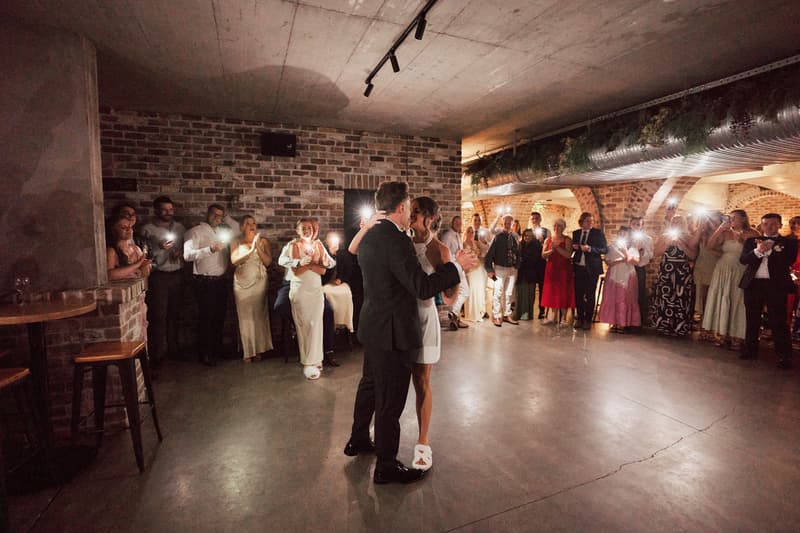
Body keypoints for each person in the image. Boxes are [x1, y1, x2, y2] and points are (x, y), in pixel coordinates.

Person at [344, 181, 475, 485]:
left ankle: (358, 438)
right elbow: (422, 287)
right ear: (402, 207)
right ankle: (386, 466)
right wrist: (456, 266)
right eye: (409, 207)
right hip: (393, 332)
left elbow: (353, 257)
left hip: (373, 325)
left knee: (369, 385)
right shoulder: (396, 240)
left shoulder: (372, 235)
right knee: (390, 401)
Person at [739, 213, 798, 368]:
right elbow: (744, 260)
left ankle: (784, 356)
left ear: (779, 225)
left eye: (773, 224)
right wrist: (759, 251)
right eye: (765, 224)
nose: (769, 227)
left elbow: (788, 261)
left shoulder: (789, 243)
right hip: (753, 284)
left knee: (778, 321)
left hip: (776, 286)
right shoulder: (751, 241)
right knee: (752, 318)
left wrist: (771, 251)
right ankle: (750, 350)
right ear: (761, 225)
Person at [281, 218, 335, 380]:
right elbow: (296, 272)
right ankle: (307, 361)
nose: (307, 230)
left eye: (310, 228)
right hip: (300, 290)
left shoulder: (318, 245)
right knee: (304, 325)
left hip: (316, 290)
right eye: (303, 228)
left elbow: (325, 269)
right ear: (297, 230)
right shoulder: (293, 246)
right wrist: (311, 264)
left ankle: (316, 359)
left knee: (316, 324)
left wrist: (315, 263)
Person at [183, 204, 234, 366]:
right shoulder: (195, 231)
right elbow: (187, 255)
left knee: (219, 317)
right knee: (206, 318)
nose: (217, 218)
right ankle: (205, 353)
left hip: (220, 281)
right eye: (214, 215)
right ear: (207, 213)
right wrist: (210, 249)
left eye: (220, 216)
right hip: (204, 282)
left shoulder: (223, 232)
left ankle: (217, 350)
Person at [702, 210, 758, 349]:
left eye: (734, 217)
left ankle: (738, 336)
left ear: (743, 219)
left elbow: (757, 253)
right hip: (723, 268)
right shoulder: (726, 232)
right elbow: (709, 246)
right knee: (723, 298)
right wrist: (720, 229)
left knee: (737, 300)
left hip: (740, 269)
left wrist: (742, 241)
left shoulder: (753, 233)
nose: (731, 220)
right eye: (729, 217)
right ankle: (722, 333)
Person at [140, 196, 185, 365]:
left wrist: (179, 253)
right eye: (165, 209)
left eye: (171, 209)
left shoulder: (179, 228)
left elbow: (185, 248)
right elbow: (142, 253)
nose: (168, 213)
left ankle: (174, 349)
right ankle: (158, 353)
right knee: (159, 315)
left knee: (175, 314)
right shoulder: (148, 229)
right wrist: (158, 248)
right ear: (156, 210)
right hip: (159, 275)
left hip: (177, 273)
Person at [230, 215, 273, 363]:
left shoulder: (264, 241)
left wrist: (257, 247)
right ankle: (247, 350)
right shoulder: (236, 241)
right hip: (241, 283)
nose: (252, 226)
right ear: (242, 227)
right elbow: (235, 260)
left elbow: (267, 262)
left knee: (259, 315)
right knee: (244, 316)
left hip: (259, 281)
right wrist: (250, 250)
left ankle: (259, 349)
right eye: (248, 224)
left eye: (253, 223)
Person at [650, 215, 698, 337]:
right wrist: (667, 244)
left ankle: (680, 327)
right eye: (674, 222)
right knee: (665, 296)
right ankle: (663, 325)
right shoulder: (664, 236)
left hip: (682, 272)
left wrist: (681, 245)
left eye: (679, 222)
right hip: (667, 270)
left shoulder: (688, 237)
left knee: (680, 297)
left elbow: (693, 256)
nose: (676, 224)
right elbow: (655, 253)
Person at [598, 227, 640, 332]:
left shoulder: (633, 248)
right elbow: (608, 262)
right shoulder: (612, 247)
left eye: (624, 234)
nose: (622, 236)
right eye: (620, 234)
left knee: (624, 298)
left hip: (627, 275)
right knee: (613, 298)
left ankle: (623, 323)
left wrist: (625, 252)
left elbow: (635, 262)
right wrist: (621, 259)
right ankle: (614, 322)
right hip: (614, 275)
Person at [571, 213, 608, 330]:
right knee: (578, 294)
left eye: (591, 221)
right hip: (578, 267)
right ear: (581, 221)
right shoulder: (576, 233)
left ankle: (588, 320)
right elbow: (572, 248)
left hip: (592, 268)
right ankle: (580, 318)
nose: (590, 223)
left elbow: (604, 249)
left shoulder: (598, 233)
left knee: (590, 295)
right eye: (587, 221)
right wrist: (574, 247)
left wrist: (590, 249)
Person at [485, 215, 520, 327]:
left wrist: (517, 265)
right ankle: (496, 315)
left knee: (509, 293)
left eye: (510, 223)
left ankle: (507, 314)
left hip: (511, 268)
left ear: (512, 224)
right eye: (506, 223)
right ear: (503, 223)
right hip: (500, 268)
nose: (507, 225)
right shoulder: (498, 237)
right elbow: (489, 254)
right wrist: (489, 269)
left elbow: (518, 253)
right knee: (498, 292)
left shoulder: (514, 237)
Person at [693, 212, 723, 336]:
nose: (712, 222)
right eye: (711, 219)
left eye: (715, 220)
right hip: (702, 265)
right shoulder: (703, 232)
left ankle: (712, 327)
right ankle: (703, 326)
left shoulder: (724, 234)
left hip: (715, 265)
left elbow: (722, 251)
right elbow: (694, 244)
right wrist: (701, 225)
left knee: (713, 297)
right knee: (702, 296)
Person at [541, 219, 575, 326]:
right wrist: (551, 250)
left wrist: (557, 248)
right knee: (552, 292)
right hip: (552, 269)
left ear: (563, 227)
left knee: (563, 292)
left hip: (564, 269)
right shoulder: (548, 239)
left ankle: (564, 318)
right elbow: (543, 255)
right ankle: (553, 316)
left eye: (559, 226)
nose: (556, 227)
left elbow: (568, 255)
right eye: (555, 225)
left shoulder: (567, 239)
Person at [439, 216, 469, 329]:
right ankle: (454, 314)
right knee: (465, 291)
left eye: (460, 223)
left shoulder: (457, 235)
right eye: (456, 222)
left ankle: (455, 317)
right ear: (452, 222)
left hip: (459, 267)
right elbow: (443, 252)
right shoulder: (447, 236)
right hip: (453, 267)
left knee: (462, 292)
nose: (458, 224)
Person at [106, 213, 152, 281]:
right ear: (113, 231)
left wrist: (145, 267)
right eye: (123, 227)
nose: (128, 230)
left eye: (130, 227)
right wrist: (138, 264)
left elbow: (144, 272)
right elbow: (109, 275)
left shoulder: (136, 249)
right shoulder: (111, 250)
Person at [629, 216, 654, 329]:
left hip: (639, 268)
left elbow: (650, 255)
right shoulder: (625, 237)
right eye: (634, 224)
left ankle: (639, 320)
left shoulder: (647, 239)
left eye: (638, 224)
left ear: (642, 225)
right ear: (630, 224)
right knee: (627, 293)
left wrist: (642, 251)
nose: (636, 226)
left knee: (639, 293)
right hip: (627, 268)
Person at [514, 229, 542, 321]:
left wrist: (522, 258)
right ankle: (518, 314)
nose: (527, 237)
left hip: (530, 274)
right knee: (520, 294)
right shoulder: (520, 245)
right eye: (526, 235)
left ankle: (525, 315)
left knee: (528, 296)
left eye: (529, 236)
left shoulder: (536, 246)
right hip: (521, 274)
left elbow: (534, 259)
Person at [462, 226, 487, 322]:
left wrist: (484, 242)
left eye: (472, 232)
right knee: (471, 290)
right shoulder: (463, 244)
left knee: (479, 290)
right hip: (470, 269)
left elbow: (484, 250)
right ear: (466, 233)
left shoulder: (476, 242)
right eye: (469, 231)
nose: (471, 233)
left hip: (478, 268)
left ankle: (479, 313)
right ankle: (471, 314)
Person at [529, 212, 550, 319]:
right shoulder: (528, 232)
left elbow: (549, 247)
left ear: (540, 219)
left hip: (542, 263)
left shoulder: (546, 231)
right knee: (531, 286)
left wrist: (542, 242)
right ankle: (529, 309)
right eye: (533, 218)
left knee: (542, 287)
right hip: (531, 263)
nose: (534, 220)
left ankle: (541, 310)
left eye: (536, 218)